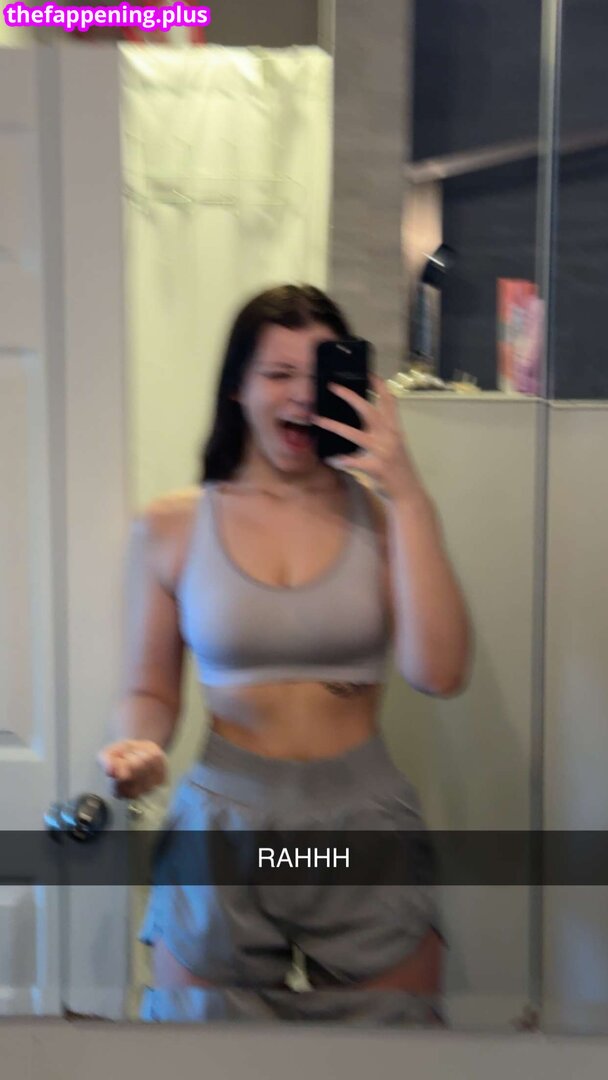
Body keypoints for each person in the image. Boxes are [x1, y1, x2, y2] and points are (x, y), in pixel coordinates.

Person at [98, 284, 471, 1025]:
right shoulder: (171, 526)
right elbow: (151, 688)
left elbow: (440, 672)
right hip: (222, 822)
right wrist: (138, 745)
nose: (302, 394)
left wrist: (406, 489)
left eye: (318, 373)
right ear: (238, 387)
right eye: (278, 374)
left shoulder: (385, 518)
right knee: (201, 1059)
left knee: (395, 1059)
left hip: (361, 823)